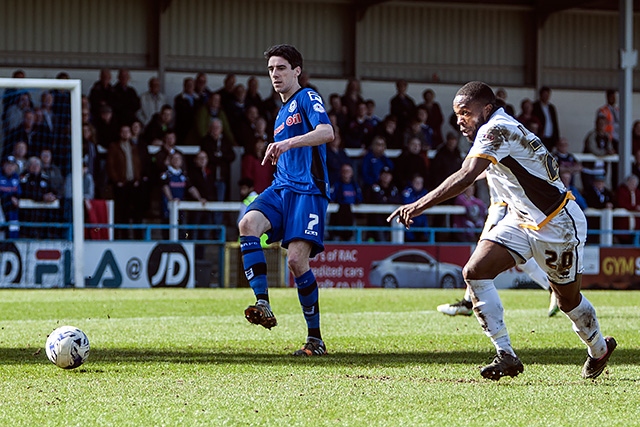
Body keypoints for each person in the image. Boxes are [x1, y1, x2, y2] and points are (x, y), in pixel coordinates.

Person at [388, 81, 615, 380]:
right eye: (457, 115)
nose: (460, 120)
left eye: (465, 113)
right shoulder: (494, 129)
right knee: (475, 272)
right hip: (521, 219)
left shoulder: (496, 130)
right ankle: (506, 354)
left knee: (567, 301)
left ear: (487, 109)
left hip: (557, 222)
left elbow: (466, 176)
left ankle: (599, 349)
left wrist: (419, 204)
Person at [237, 44, 334, 356]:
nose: (275, 75)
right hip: (282, 189)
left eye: (281, 68)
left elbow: (326, 132)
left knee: (295, 261)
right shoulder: (280, 113)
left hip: (308, 191)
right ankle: (262, 302)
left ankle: (315, 340)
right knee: (247, 223)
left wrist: (287, 143)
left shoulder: (307, 97)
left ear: (297, 71)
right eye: (270, 70)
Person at [106, 124, 144, 240]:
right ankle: (122, 237)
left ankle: (138, 237)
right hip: (121, 184)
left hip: (133, 184)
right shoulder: (114, 147)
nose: (125, 134)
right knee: (121, 213)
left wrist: (138, 178)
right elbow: (110, 165)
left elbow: (138, 164)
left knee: (136, 212)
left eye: (127, 132)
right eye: (123, 131)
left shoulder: (134, 147)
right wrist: (117, 180)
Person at [329, 163, 362, 241]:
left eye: (348, 171)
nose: (346, 173)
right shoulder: (337, 185)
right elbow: (332, 197)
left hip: (351, 214)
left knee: (351, 233)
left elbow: (359, 198)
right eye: (344, 171)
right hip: (338, 215)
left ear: (352, 173)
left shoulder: (355, 185)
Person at [582, 116, 616, 190]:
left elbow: (610, 148)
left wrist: (611, 151)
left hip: (601, 169)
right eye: (600, 123)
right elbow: (593, 149)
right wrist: (606, 153)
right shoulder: (592, 135)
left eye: (603, 124)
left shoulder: (607, 136)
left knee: (600, 191)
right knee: (589, 191)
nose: (601, 125)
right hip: (589, 169)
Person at [532, 86, 560, 151]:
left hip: (550, 136)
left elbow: (555, 123)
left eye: (548, 95)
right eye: (544, 95)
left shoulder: (551, 108)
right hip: (540, 135)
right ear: (540, 95)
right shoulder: (535, 106)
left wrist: (556, 138)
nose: (546, 97)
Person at [614, 174, 640, 244]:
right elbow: (621, 203)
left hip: (636, 223)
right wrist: (635, 208)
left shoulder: (637, 192)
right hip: (624, 223)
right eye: (631, 183)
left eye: (634, 184)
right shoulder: (622, 191)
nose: (632, 185)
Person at [0, 156, 21, 239]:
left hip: (11, 208)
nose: (10, 167)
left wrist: (14, 197)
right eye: (8, 165)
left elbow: (19, 192)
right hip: (1, 206)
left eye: (12, 165)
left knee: (13, 225)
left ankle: (12, 242)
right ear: (3, 165)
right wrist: (9, 196)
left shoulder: (16, 177)